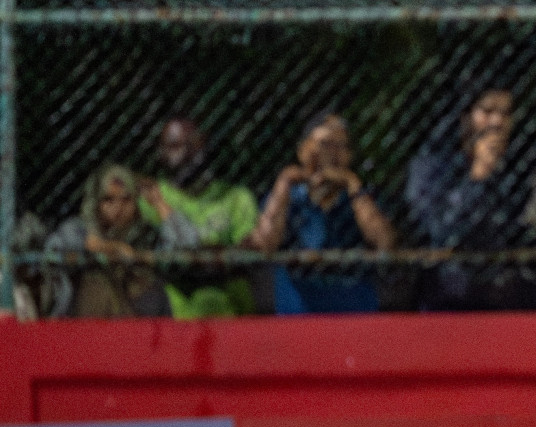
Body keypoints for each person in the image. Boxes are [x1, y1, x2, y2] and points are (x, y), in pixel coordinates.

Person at [405, 90, 536, 310]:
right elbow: (442, 231)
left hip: (511, 292)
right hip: (450, 293)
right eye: (487, 111)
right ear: (466, 117)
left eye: (505, 113)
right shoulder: (432, 166)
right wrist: (479, 175)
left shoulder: (522, 165)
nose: (497, 122)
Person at [248, 113, 397, 313]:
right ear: (303, 150)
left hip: (356, 315)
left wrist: (352, 184)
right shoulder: (287, 197)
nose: (332, 153)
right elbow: (264, 245)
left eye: (342, 146)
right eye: (325, 144)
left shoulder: (362, 198)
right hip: (298, 316)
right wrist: (284, 183)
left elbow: (385, 243)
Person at [136, 117, 261, 317]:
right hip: (179, 318)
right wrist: (214, 256)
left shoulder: (237, 197)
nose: (186, 154)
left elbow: (249, 253)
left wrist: (193, 257)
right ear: (161, 152)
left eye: (192, 145)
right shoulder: (152, 197)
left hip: (235, 313)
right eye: (174, 146)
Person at [44, 163, 199, 318]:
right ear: (96, 202)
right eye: (108, 200)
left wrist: (158, 203)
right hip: (90, 321)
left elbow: (188, 243)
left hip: (138, 317)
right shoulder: (77, 228)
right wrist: (114, 248)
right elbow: (57, 251)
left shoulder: (143, 233)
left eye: (126, 200)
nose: (118, 208)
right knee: (97, 283)